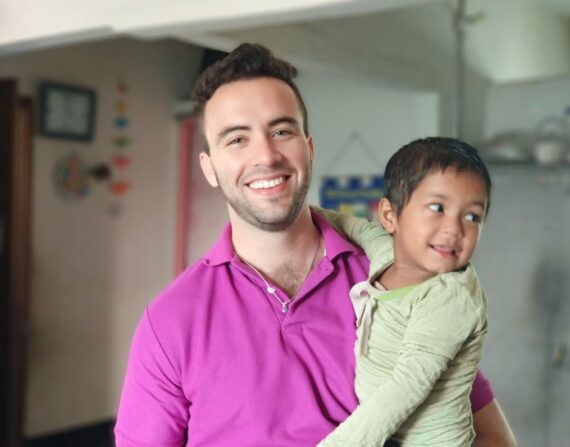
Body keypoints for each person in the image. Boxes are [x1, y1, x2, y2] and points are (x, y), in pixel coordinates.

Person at [114, 43, 516, 447]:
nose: (266, 155)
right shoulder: (170, 321)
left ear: (308, 149)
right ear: (210, 168)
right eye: (237, 139)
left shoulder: (400, 281)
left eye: (281, 131)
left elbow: (490, 436)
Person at [316, 137, 491, 446]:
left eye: (472, 216)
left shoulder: (450, 297)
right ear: (390, 216)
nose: (455, 229)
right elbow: (359, 228)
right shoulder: (386, 257)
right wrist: (310, 214)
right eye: (437, 208)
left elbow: (407, 385)